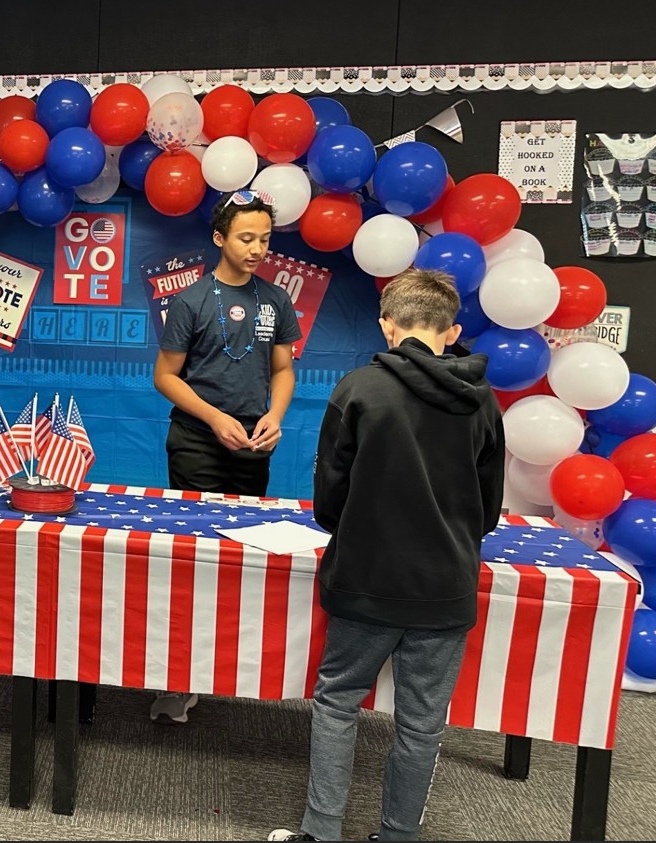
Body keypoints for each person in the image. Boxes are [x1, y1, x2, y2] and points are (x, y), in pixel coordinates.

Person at [269, 268, 505, 842]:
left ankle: (321, 831)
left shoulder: (358, 389)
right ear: (452, 332)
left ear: (387, 326)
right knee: (422, 724)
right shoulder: (483, 403)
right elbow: (488, 509)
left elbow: (329, 497)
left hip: (365, 576)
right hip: (445, 584)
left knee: (337, 702)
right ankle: (399, 834)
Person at [151, 189, 302, 724]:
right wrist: (215, 418)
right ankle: (179, 678)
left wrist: (274, 417)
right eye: (246, 238)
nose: (257, 248)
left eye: (265, 238)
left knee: (243, 557)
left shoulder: (275, 300)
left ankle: (227, 668)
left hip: (252, 447)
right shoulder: (190, 300)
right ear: (219, 239)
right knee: (196, 560)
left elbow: (282, 370)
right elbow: (165, 376)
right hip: (197, 443)